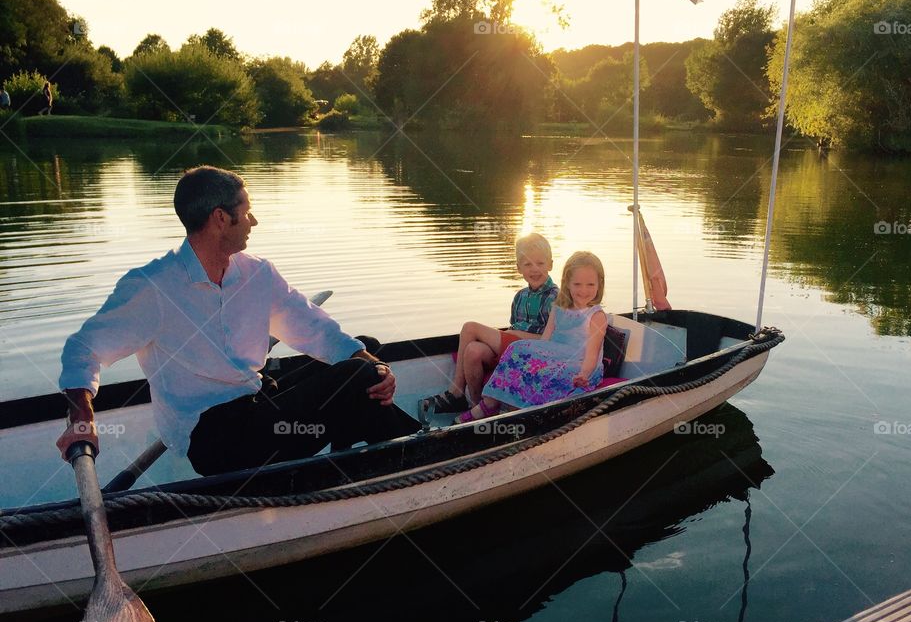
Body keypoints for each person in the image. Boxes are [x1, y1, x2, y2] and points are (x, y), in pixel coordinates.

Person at [56, 166, 421, 475]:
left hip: (256, 404)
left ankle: (356, 457)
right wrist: (82, 419)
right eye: (247, 212)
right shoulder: (153, 287)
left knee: (364, 352)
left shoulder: (257, 273)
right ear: (220, 218)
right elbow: (83, 350)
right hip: (214, 441)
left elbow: (314, 328)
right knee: (358, 376)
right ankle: (414, 455)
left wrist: (376, 367)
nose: (253, 221)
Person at [455, 251, 607, 424]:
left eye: (590, 284)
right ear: (567, 283)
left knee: (544, 370)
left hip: (580, 364)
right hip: (554, 355)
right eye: (577, 284)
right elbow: (545, 341)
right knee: (517, 348)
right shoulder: (558, 307)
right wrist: (532, 356)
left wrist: (583, 374)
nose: (584, 290)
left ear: (599, 284)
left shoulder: (596, 316)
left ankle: (516, 410)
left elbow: (592, 355)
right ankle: (491, 402)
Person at [419, 233, 558, 414]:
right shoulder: (520, 296)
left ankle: (456, 391)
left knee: (470, 328)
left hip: (530, 350)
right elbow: (513, 326)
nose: (534, 269)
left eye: (540, 263)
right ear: (518, 268)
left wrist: (515, 335)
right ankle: (476, 406)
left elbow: (553, 340)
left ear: (550, 265)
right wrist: (511, 334)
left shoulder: (555, 297)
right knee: (473, 351)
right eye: (528, 264)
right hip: (511, 347)